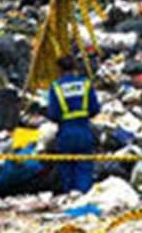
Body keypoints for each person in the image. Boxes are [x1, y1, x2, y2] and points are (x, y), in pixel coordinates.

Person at [46, 54, 100, 193]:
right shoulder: (86, 84)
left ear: (59, 69)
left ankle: (69, 197)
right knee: (84, 166)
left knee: (66, 168)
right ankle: (83, 196)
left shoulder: (56, 87)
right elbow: (95, 109)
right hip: (84, 130)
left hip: (66, 132)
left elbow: (53, 114)